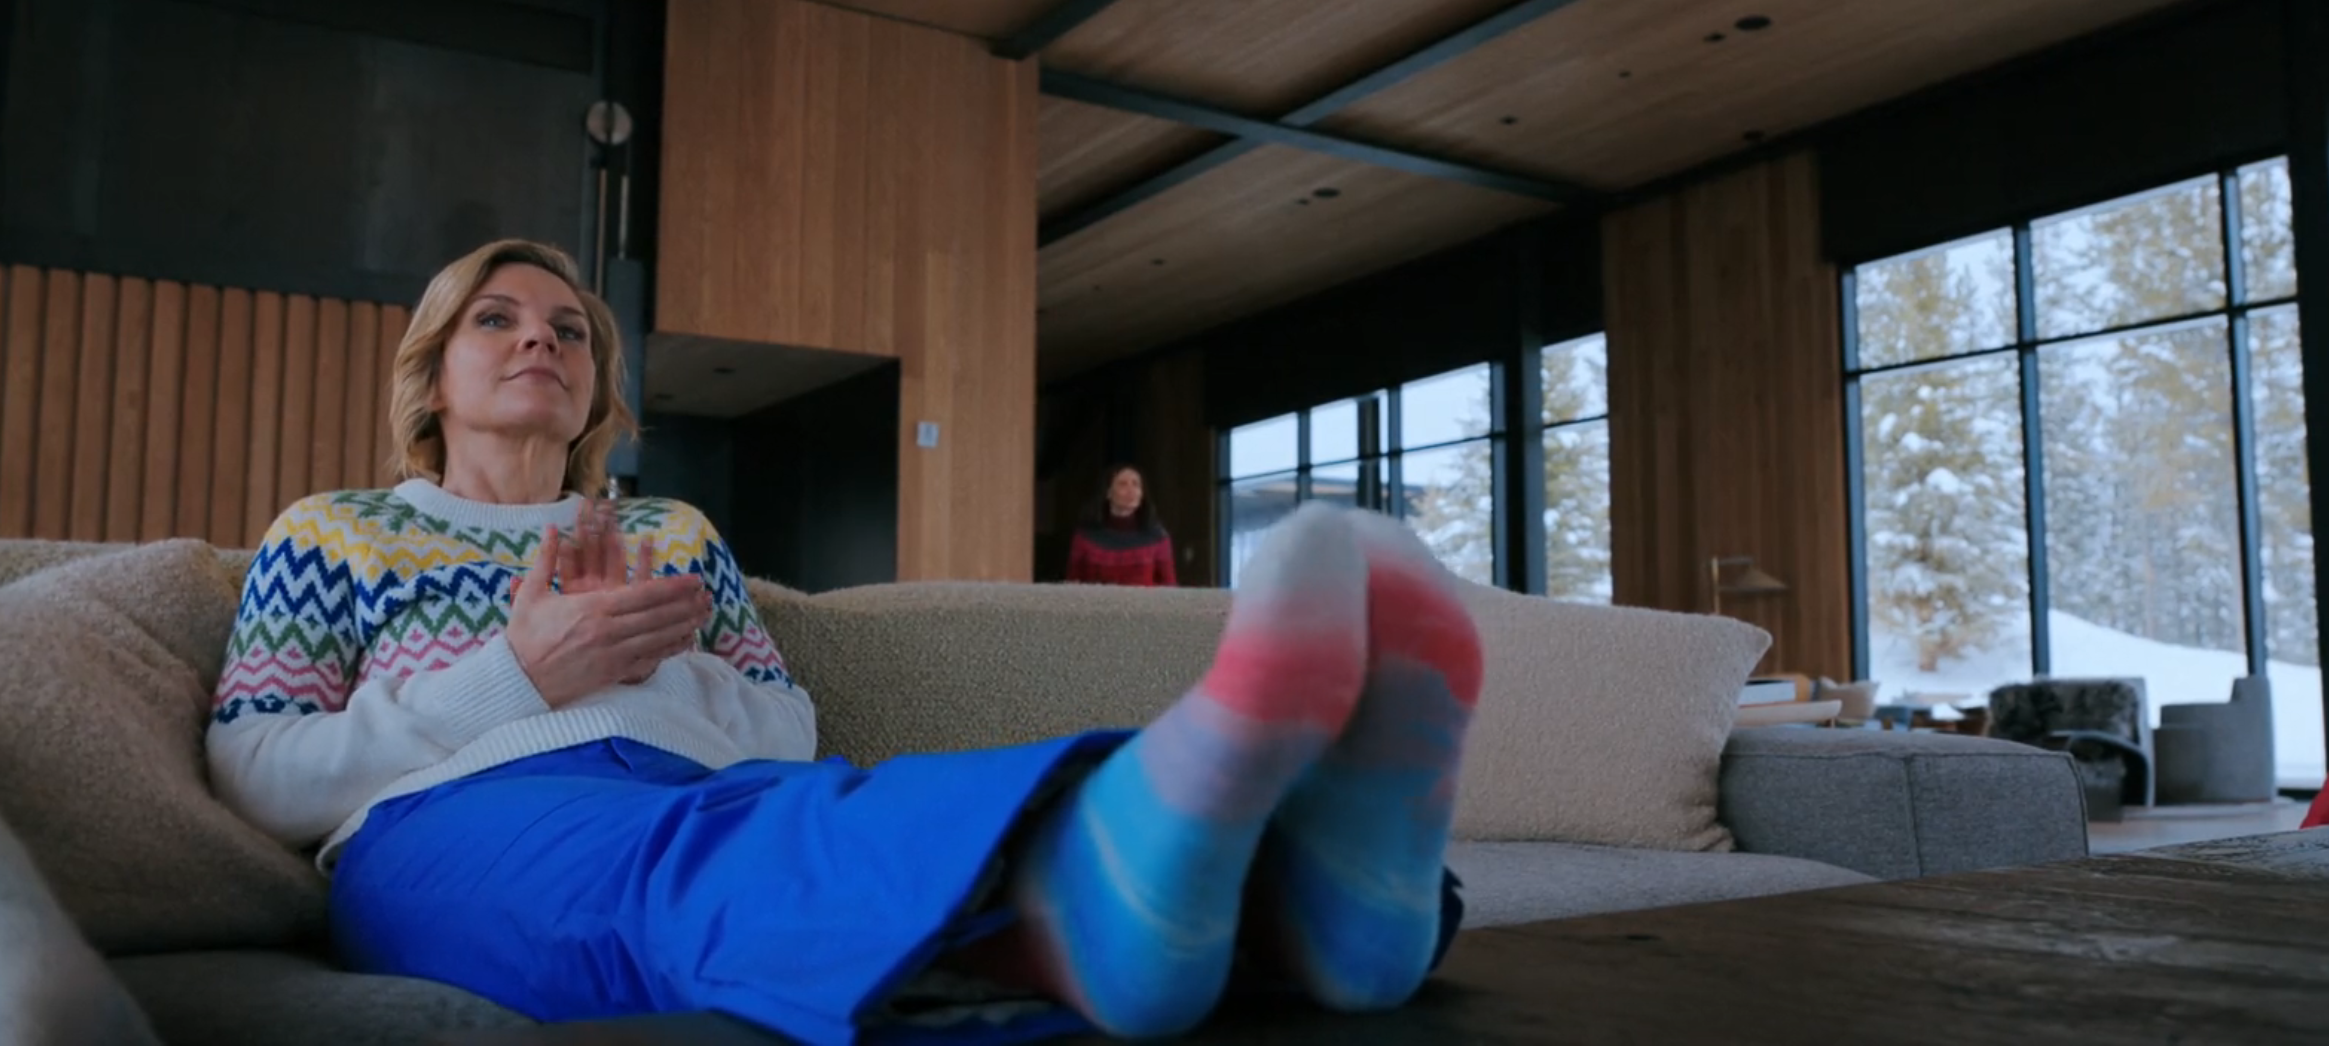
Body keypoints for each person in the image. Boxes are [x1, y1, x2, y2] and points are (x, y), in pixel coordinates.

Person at [206, 239, 1480, 1044]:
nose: (542, 335)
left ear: (595, 387)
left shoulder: (669, 528)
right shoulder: (338, 529)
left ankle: (1319, 908)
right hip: (455, 819)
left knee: (820, 812)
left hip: (707, 784)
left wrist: (655, 664)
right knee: (677, 877)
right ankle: (1280, 902)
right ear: (431, 375)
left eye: (571, 327)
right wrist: (524, 673)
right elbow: (256, 768)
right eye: (497, 318)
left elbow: (783, 719)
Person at [1065, 464, 1177, 587]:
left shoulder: (1158, 537)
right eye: (1123, 484)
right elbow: (1072, 585)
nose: (1131, 491)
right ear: (1108, 492)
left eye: (1136, 484)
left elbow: (1169, 587)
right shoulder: (1085, 536)